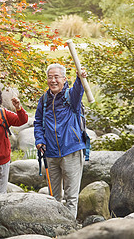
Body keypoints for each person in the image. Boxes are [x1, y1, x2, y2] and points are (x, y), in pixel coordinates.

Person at [34, 63, 88, 219]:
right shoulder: (44, 100)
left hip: (71, 149)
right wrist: (39, 140)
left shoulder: (71, 97)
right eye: (50, 77)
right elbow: (38, 122)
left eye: (56, 77)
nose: (53, 80)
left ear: (64, 79)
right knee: (54, 198)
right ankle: (57, 227)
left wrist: (79, 78)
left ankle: (70, 230)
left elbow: (78, 90)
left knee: (71, 197)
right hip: (50, 153)